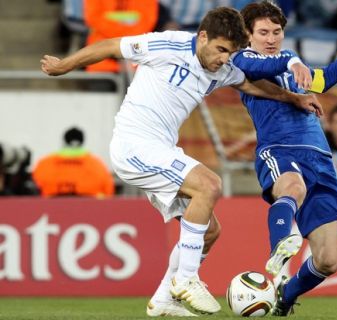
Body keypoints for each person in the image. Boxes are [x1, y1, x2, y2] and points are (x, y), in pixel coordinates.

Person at [41, 6, 321, 317]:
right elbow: (111, 46)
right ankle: (187, 279)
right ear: (202, 37)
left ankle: (163, 299)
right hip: (134, 144)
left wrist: (294, 98)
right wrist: (64, 65)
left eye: (231, 53)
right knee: (209, 185)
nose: (224, 59)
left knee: (210, 230)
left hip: (160, 150)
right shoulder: (168, 44)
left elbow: (252, 84)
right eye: (220, 49)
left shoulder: (222, 67)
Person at [233, 1, 337, 315]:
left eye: (277, 32)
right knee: (293, 187)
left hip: (320, 160)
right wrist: (292, 61)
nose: (271, 38)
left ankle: (285, 297)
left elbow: (324, 80)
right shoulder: (244, 60)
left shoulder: (293, 69)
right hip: (279, 150)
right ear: (249, 35)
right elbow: (267, 66)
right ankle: (280, 249)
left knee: (329, 260)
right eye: (263, 32)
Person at [32, 127, 115, 197]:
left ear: (64, 142)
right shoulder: (96, 164)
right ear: (82, 142)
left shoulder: (45, 163)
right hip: (89, 209)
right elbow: (108, 191)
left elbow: (35, 188)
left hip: (52, 209)